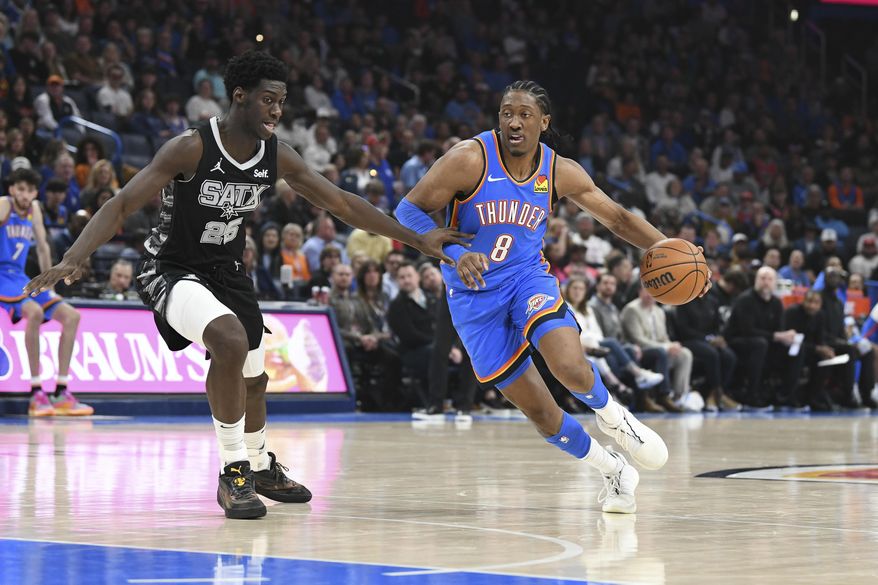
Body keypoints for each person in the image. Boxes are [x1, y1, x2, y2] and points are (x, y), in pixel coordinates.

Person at [24, 51, 468, 520]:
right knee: (229, 340)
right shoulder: (190, 147)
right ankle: (233, 471)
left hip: (227, 271)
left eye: (282, 102)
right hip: (170, 267)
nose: (277, 111)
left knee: (255, 380)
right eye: (268, 100)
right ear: (239, 97)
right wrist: (74, 258)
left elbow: (342, 203)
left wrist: (417, 239)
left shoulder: (276, 155)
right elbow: (120, 204)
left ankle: (258, 466)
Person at [397, 81, 707, 513]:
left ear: (544, 123)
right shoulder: (469, 159)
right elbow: (407, 210)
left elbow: (616, 218)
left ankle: (618, 421)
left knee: (567, 364)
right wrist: (451, 251)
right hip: (472, 299)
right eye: (506, 113)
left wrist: (677, 252)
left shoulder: (560, 170)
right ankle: (613, 470)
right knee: (542, 414)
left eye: (524, 114)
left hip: (527, 279)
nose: (513, 122)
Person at [0, 168, 91, 416]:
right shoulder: (3, 205)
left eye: (29, 190)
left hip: (19, 278)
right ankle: (35, 392)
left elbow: (41, 247)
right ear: (11, 189)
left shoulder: (35, 209)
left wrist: (48, 281)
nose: (25, 195)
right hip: (1, 276)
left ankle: (61, 391)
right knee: (35, 312)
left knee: (72, 316)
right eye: (20, 189)